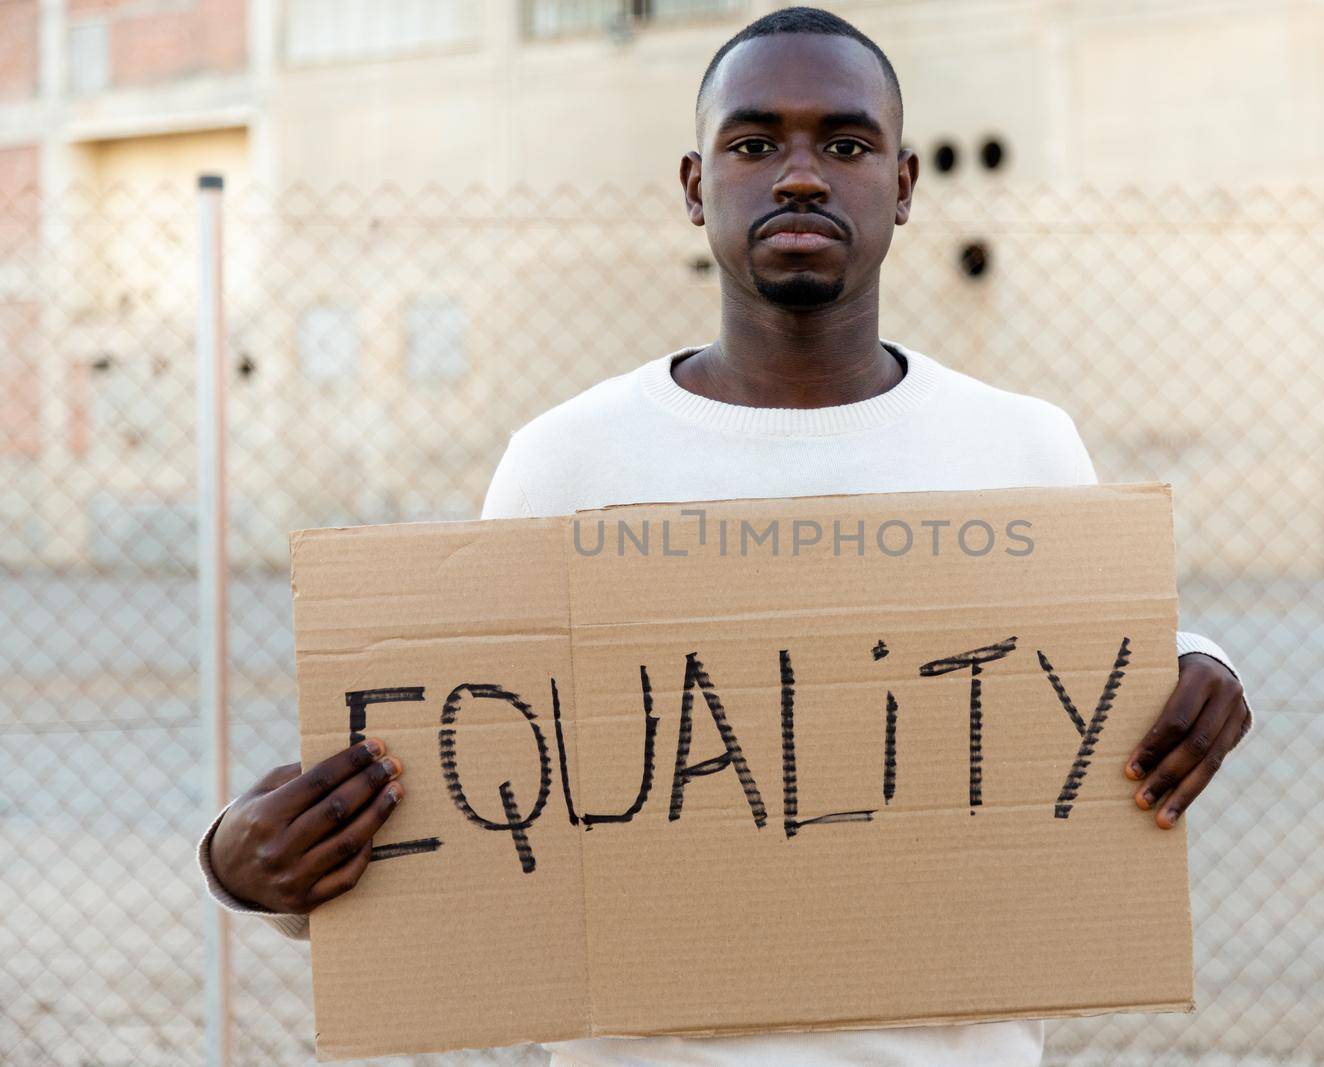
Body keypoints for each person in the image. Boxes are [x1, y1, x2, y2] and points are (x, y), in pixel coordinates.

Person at [198, 8, 1253, 1065]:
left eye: (845, 144)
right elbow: (468, 805)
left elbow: (1087, 707)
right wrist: (253, 874)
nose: (801, 176)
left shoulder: (1023, 447)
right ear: (697, 186)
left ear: (905, 184)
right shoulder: (566, 462)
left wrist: (1202, 663)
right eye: (755, 145)